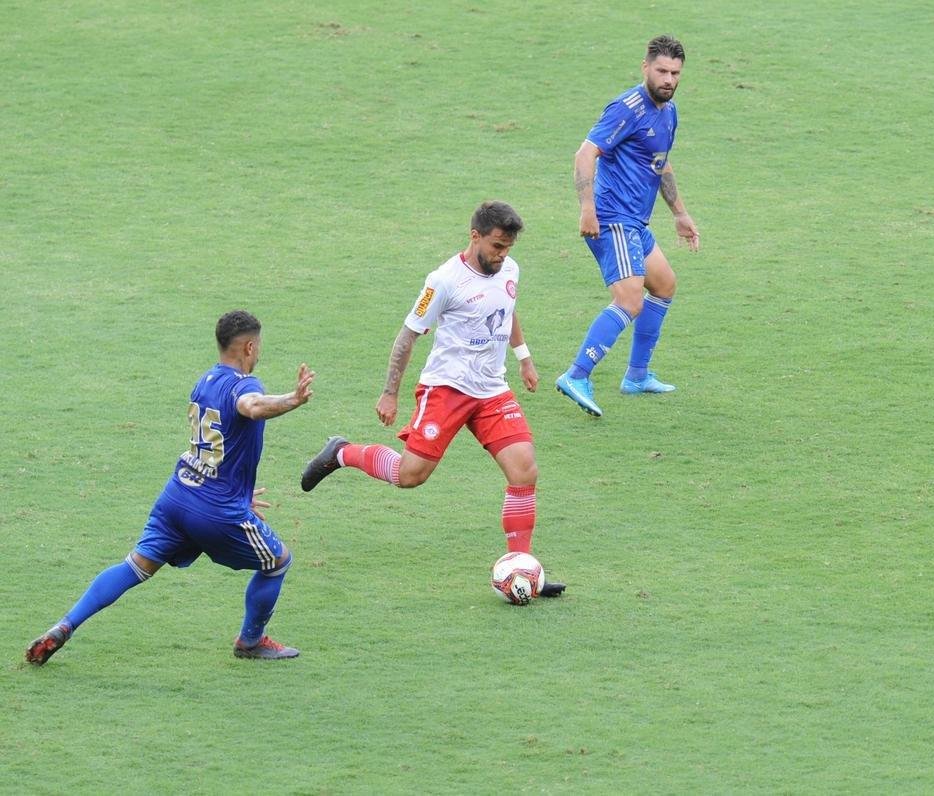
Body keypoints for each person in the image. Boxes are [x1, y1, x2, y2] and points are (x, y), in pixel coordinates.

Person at [299, 201, 565, 597]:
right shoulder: (442, 281)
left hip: (492, 391)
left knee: (524, 471)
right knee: (411, 476)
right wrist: (390, 393)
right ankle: (342, 452)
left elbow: (506, 310)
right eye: (496, 246)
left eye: (508, 248)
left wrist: (524, 358)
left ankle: (521, 567)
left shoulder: (509, 269)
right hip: (446, 390)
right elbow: (407, 336)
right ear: (474, 235)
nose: (502, 255)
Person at [25, 311, 315, 665]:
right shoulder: (244, 385)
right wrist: (293, 399)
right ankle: (250, 642)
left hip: (178, 496)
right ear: (250, 346)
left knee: (135, 566)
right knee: (278, 562)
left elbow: (215, 444)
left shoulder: (204, 381)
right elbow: (251, 407)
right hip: (215, 511)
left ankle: (65, 625)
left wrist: (237, 490)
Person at [555, 34, 700, 418]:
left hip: (636, 221)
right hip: (612, 219)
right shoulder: (627, 108)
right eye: (662, 71)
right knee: (630, 300)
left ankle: (636, 376)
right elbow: (585, 153)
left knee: (664, 284)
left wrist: (680, 213)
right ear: (645, 67)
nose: (668, 79)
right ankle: (577, 374)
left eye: (675, 73)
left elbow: (660, 163)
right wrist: (587, 208)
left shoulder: (669, 112)